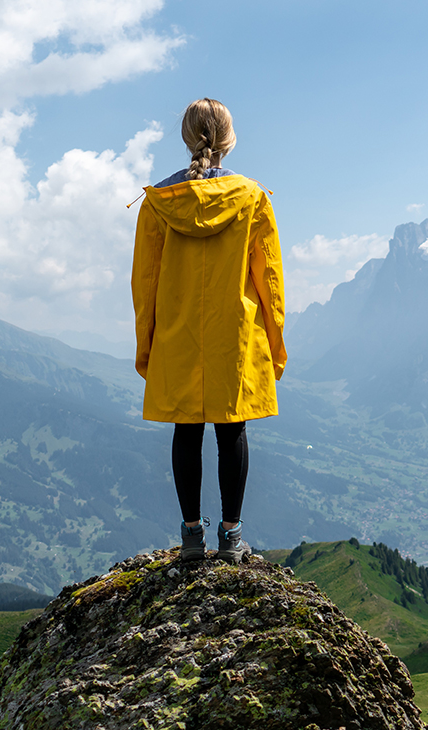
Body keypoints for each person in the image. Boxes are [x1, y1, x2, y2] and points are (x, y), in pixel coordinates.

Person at [130, 98, 287, 563]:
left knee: (186, 428)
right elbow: (270, 282)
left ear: (186, 138)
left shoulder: (159, 204)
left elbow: (145, 282)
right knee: (231, 428)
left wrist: (147, 346)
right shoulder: (252, 197)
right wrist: (275, 345)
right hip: (234, 334)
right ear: (228, 140)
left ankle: (192, 538)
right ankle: (233, 536)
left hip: (178, 332)